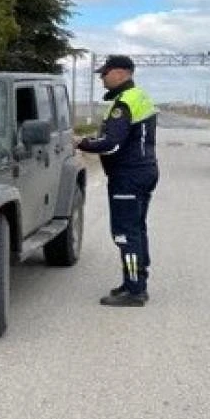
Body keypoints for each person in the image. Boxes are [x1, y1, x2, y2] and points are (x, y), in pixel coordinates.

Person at [76, 54, 159, 307]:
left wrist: (81, 142)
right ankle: (134, 281)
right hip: (143, 171)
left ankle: (134, 291)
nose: (102, 77)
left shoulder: (124, 103)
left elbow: (111, 144)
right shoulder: (139, 96)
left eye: (105, 73)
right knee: (137, 228)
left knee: (125, 233)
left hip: (128, 175)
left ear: (122, 73)